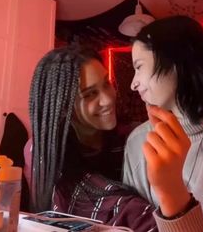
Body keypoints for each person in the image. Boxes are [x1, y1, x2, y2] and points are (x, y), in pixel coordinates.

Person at [24, 45, 158, 231]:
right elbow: (93, 206)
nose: (107, 99)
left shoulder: (130, 139)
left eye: (106, 83)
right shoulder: (45, 151)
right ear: (64, 108)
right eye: (90, 94)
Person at [123, 15, 203, 232]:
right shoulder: (137, 141)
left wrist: (173, 193)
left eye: (139, 66)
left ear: (176, 62)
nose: (133, 84)